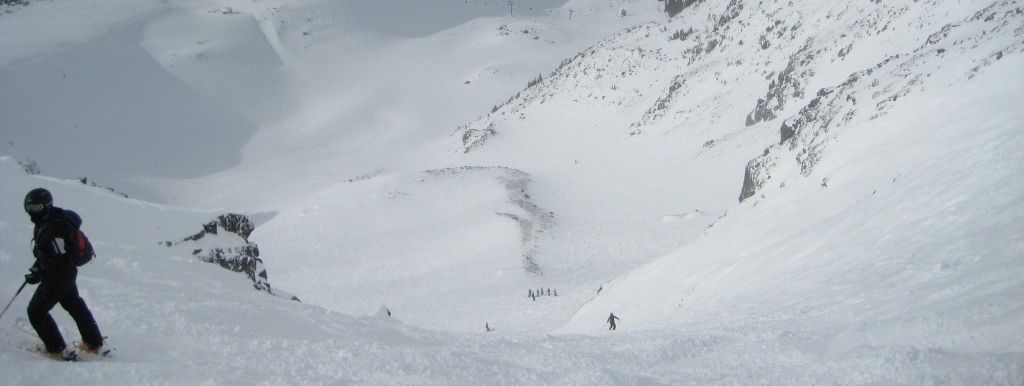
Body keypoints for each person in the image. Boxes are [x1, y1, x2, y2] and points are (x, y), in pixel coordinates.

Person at [23, 188, 103, 359]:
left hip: (59, 277)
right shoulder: (50, 221)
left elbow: (60, 258)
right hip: (65, 274)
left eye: (36, 208)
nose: (32, 212)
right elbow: (49, 254)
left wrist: (39, 272)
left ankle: (57, 349)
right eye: (29, 208)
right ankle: (94, 342)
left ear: (46, 205)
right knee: (74, 305)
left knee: (36, 312)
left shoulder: (54, 227)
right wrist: (38, 268)